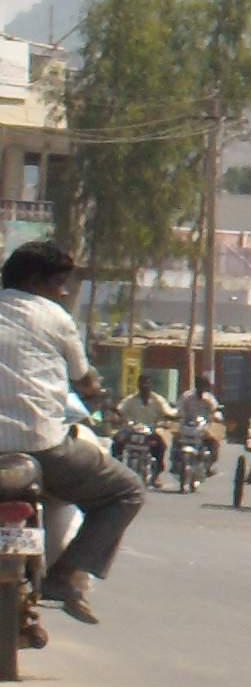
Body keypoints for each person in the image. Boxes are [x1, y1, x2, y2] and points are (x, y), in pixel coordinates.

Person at [0, 243, 143, 637]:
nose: (64, 293)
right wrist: (95, 392)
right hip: (43, 450)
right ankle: (65, 576)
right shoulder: (54, 317)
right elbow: (84, 378)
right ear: (35, 281)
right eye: (59, 283)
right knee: (128, 490)